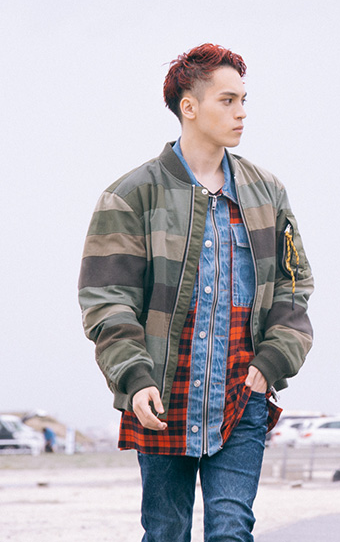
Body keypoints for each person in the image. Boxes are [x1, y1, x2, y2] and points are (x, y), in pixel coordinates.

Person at [79, 43, 314, 542]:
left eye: (243, 100)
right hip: (163, 396)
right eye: (227, 100)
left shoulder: (267, 193)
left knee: (232, 530)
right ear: (189, 106)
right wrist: (134, 377)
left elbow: (294, 285)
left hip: (242, 393)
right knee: (166, 531)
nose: (241, 112)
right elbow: (107, 301)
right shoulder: (130, 195)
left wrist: (271, 363)